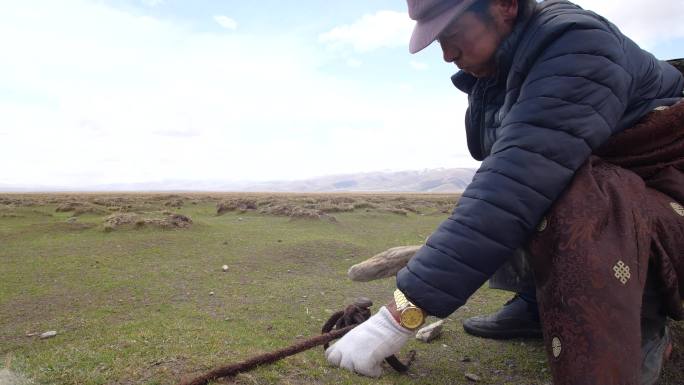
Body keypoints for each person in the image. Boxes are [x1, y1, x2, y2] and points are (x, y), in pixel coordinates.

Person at [325, 0, 684, 384]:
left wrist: (399, 317)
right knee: (539, 189)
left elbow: (517, 180)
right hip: (627, 192)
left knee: (574, 193)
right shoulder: (502, 73)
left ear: (505, 5)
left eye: (452, 34)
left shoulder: (576, 43)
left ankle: (642, 325)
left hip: (666, 192)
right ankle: (538, 303)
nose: (447, 55)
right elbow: (498, 163)